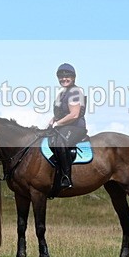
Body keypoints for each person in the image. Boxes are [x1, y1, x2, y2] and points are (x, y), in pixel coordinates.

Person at [48, 63, 88, 194]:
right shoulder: (62, 93)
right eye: (61, 77)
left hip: (75, 126)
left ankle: (66, 177)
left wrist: (58, 123)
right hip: (64, 125)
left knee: (60, 143)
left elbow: (74, 114)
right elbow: (60, 113)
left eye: (67, 76)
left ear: (73, 77)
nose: (64, 79)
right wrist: (53, 120)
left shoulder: (75, 92)